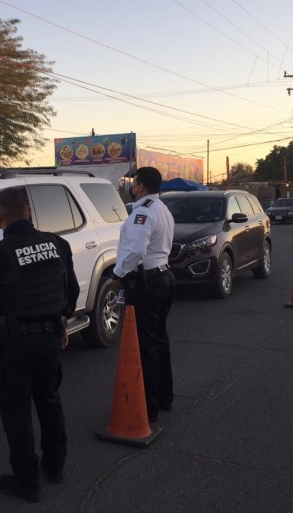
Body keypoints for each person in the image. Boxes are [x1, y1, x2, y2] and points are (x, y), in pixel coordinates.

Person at [0, 188, 79, 503]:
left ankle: (27, 482)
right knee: (49, 401)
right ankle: (55, 467)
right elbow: (71, 291)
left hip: (12, 345)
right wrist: (62, 323)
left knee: (17, 414)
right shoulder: (59, 245)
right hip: (50, 339)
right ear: (29, 210)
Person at [111, 166, 175, 423]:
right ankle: (164, 396)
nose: (131, 186)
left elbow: (136, 250)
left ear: (142, 186)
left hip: (148, 282)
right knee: (159, 340)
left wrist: (117, 274)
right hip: (163, 277)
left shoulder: (143, 213)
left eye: (134, 182)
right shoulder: (162, 208)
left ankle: (147, 408)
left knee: (146, 345)